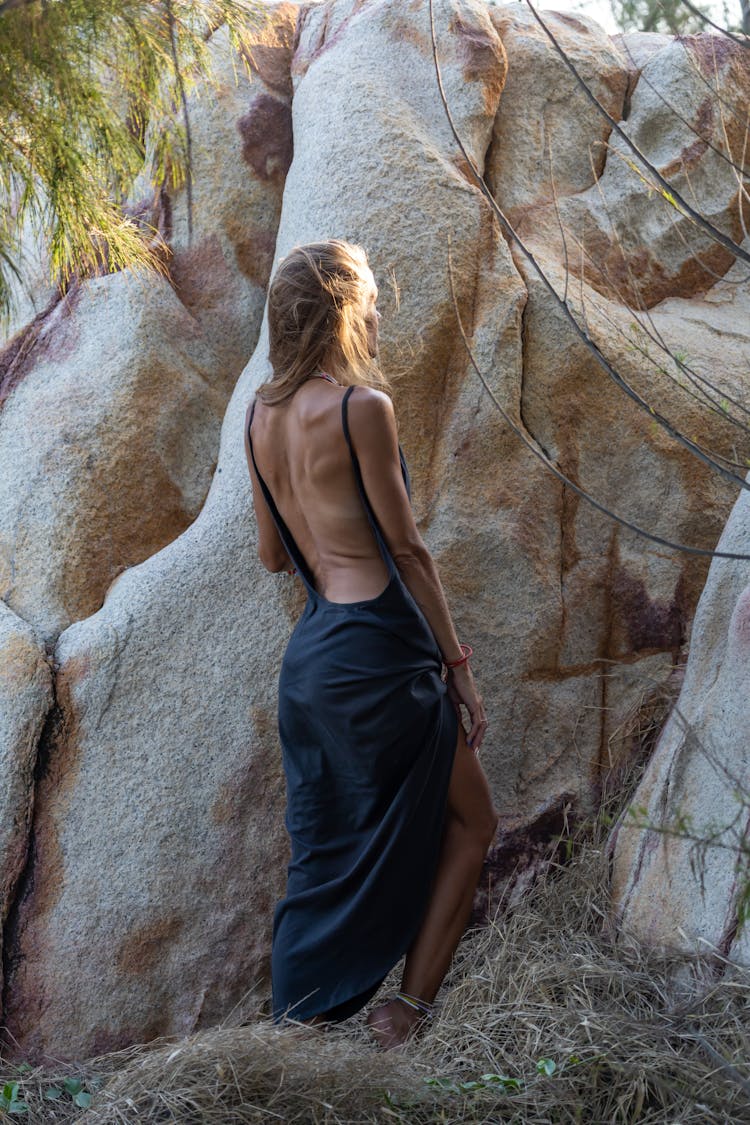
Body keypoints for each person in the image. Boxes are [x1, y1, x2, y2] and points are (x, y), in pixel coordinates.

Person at [244, 239, 498, 1050]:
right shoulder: (360, 409)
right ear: (343, 311)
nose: (381, 312)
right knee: (474, 825)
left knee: (319, 861)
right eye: (374, 299)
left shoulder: (260, 414)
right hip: (380, 654)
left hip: (311, 667)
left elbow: (273, 554)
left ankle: (294, 1034)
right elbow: (411, 552)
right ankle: (405, 1016)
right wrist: (458, 669)